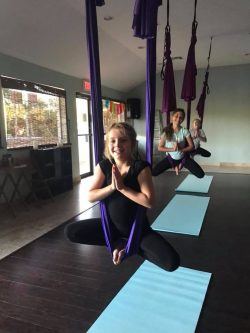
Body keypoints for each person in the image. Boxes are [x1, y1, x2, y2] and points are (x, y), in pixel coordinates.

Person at [65, 122, 180, 271]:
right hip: (110, 227)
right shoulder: (104, 166)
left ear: (132, 144)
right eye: (112, 140)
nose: (117, 144)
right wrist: (112, 187)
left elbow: (149, 201)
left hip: (138, 229)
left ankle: (131, 245)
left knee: (171, 262)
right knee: (71, 232)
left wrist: (122, 188)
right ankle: (118, 242)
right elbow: (91, 196)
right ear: (108, 144)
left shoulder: (140, 167)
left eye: (123, 140)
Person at [152, 108, 205, 178]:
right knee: (154, 172)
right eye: (176, 116)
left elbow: (191, 146)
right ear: (172, 117)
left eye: (180, 117)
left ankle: (179, 165)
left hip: (183, 158)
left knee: (201, 175)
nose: (178, 119)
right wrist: (172, 149)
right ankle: (175, 166)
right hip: (170, 158)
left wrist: (181, 149)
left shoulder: (185, 131)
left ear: (182, 120)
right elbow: (160, 147)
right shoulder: (166, 132)